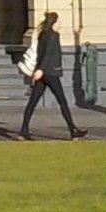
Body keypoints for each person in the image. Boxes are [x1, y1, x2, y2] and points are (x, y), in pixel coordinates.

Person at [19, 12, 87, 140]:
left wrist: (39, 69)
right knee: (62, 101)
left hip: (43, 72)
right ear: (54, 23)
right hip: (50, 72)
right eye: (59, 21)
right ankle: (73, 130)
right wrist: (41, 69)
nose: (60, 23)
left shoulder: (43, 34)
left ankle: (24, 130)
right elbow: (47, 53)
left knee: (33, 102)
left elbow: (41, 53)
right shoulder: (53, 36)